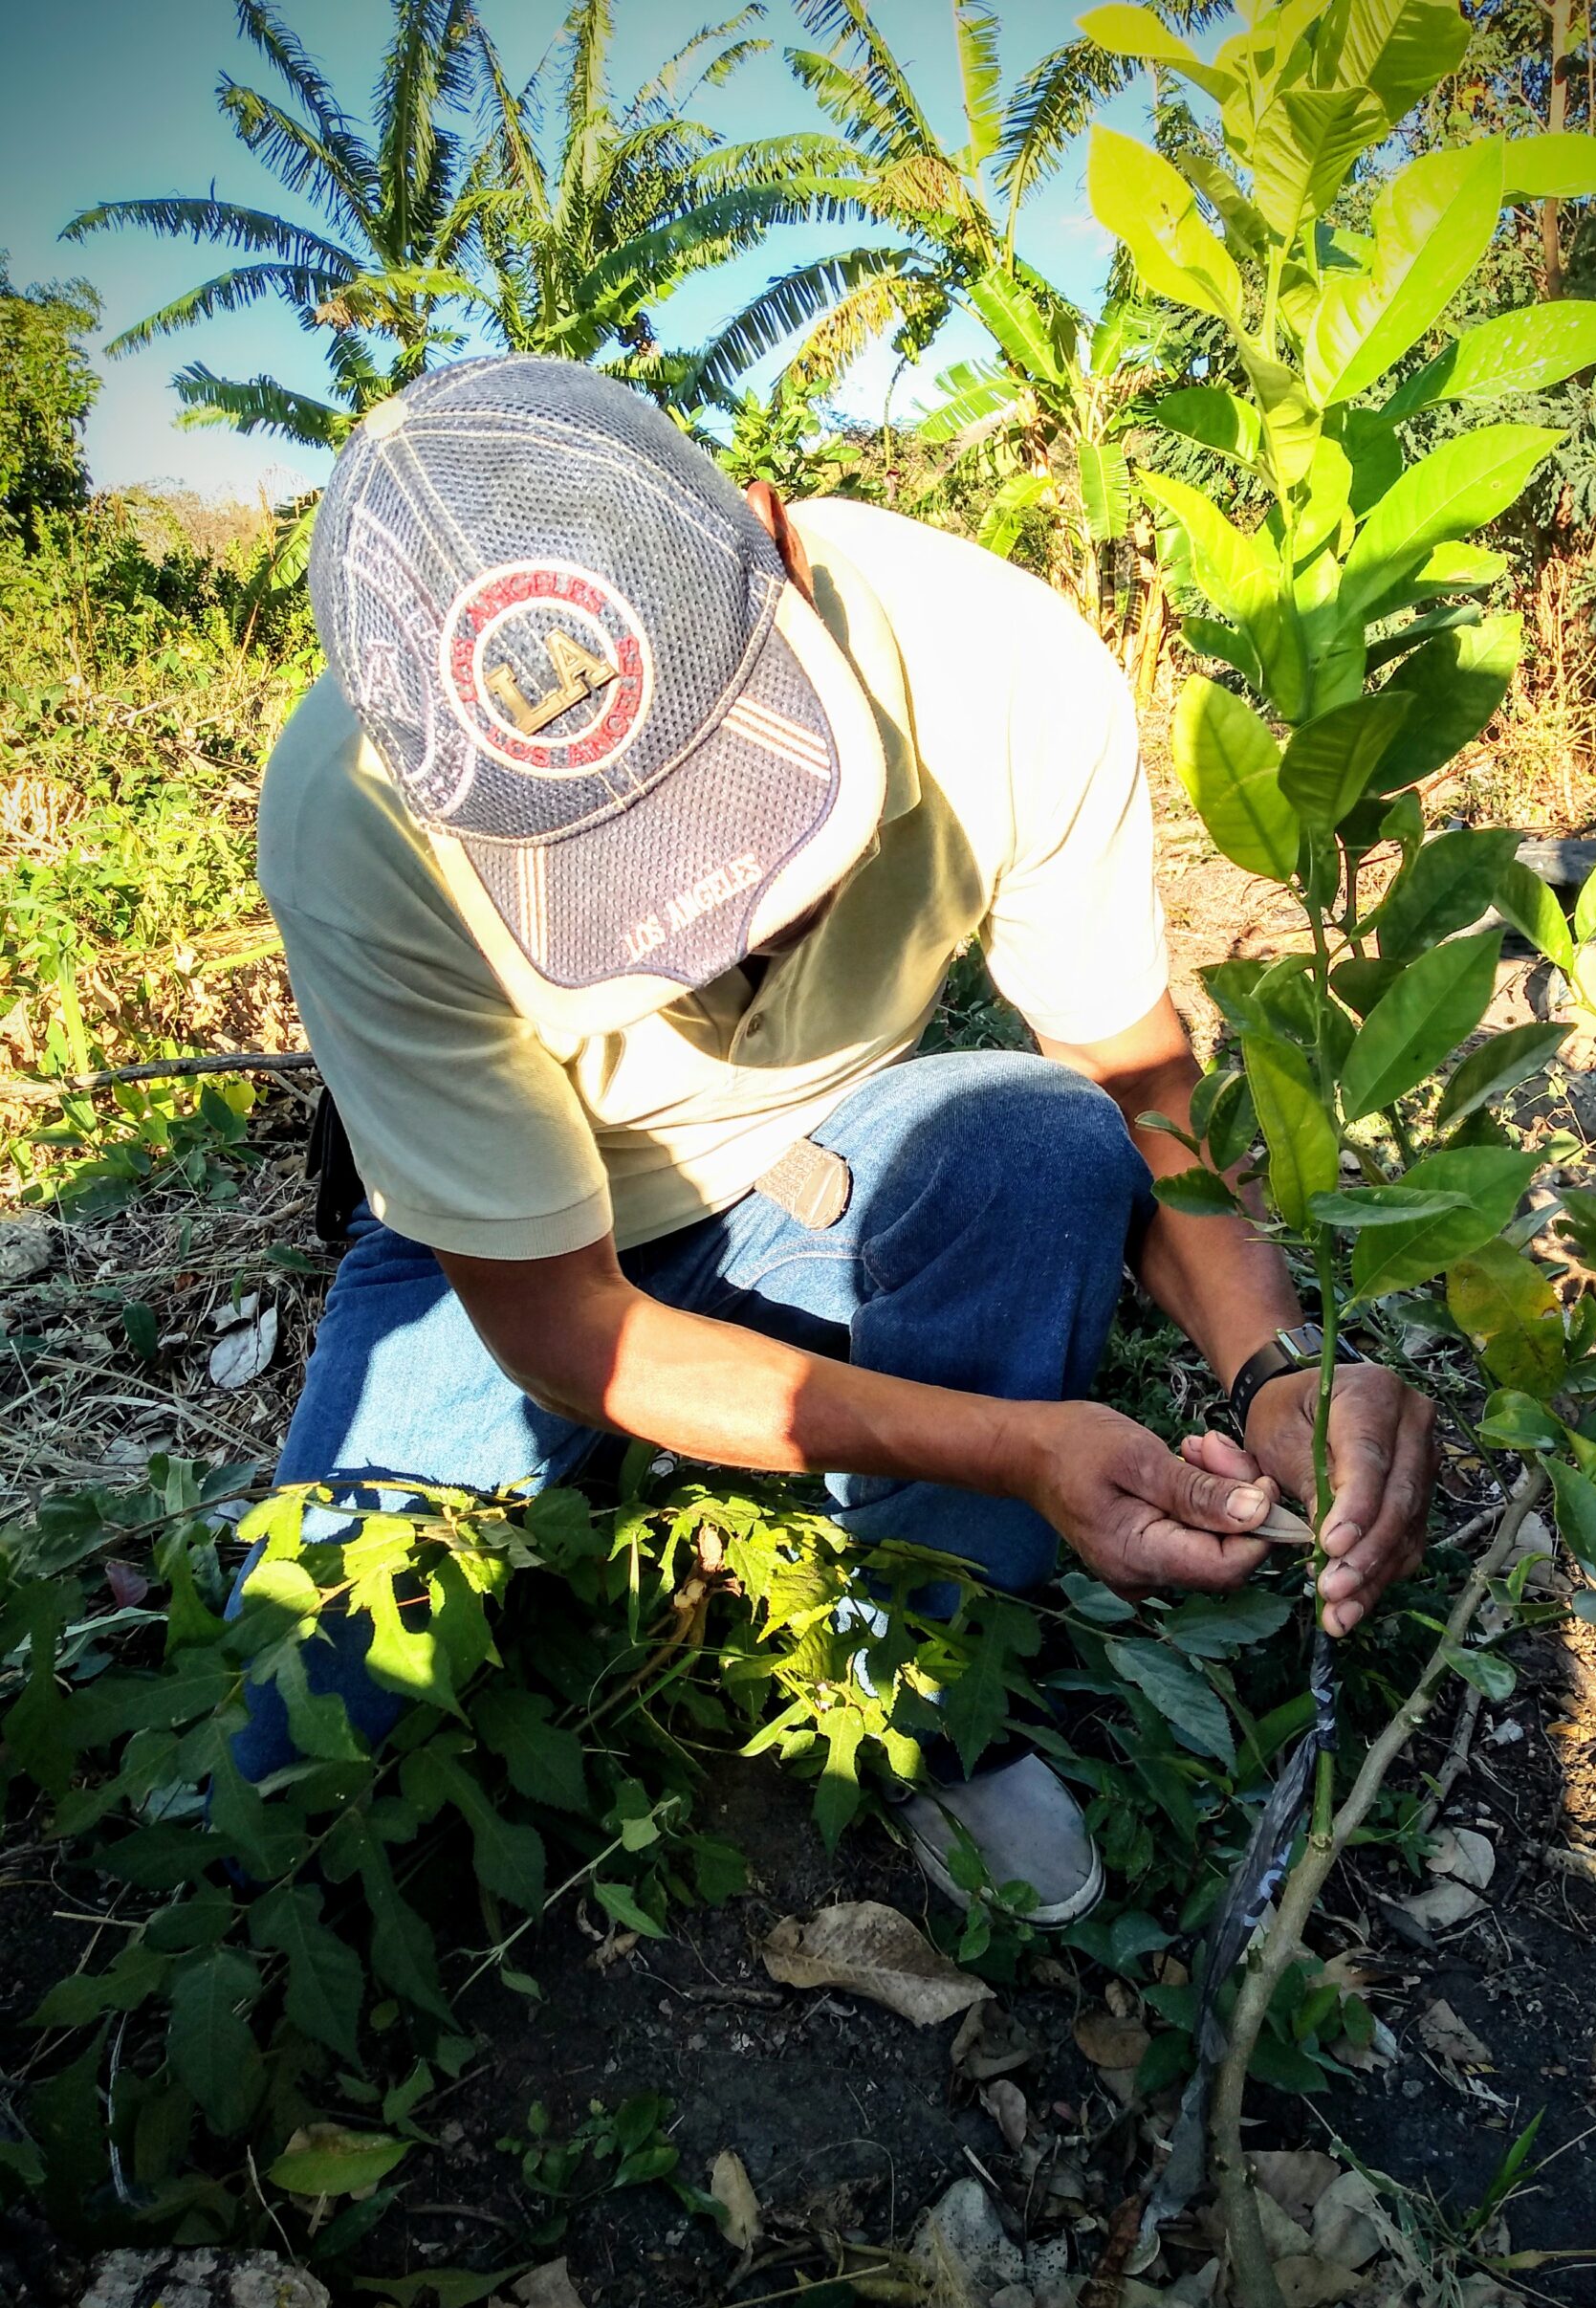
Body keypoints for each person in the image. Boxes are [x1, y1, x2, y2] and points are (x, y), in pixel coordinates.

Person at [245, 355, 1434, 1927]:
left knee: (1038, 1139)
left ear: (772, 539)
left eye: (732, 795)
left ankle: (930, 1690)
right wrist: (1019, 1446)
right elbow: (560, 1320)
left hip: (813, 1148)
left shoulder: (1000, 668)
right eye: (618, 875)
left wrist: (1276, 1362)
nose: (723, 922)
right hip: (521, 1243)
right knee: (298, 1738)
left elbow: (1141, 1088)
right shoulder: (352, 822)